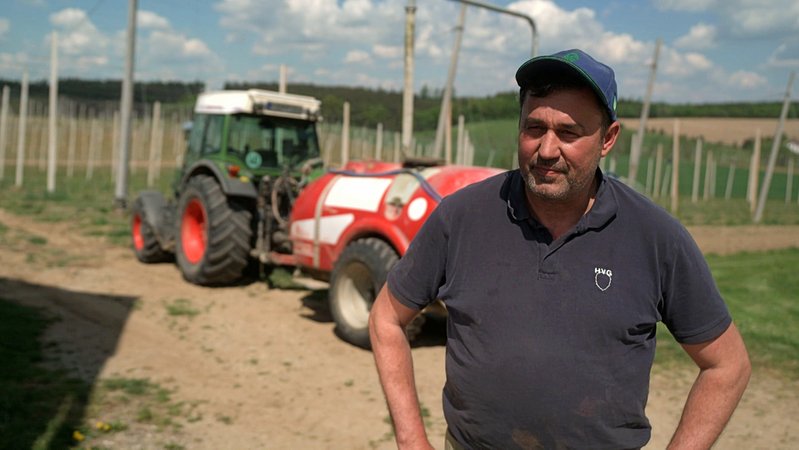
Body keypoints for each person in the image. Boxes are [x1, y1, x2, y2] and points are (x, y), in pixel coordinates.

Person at [368, 49, 751, 450]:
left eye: (568, 133)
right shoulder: (462, 217)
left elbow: (727, 365)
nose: (546, 150)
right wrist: (412, 441)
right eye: (534, 128)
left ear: (608, 138)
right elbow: (386, 318)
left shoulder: (656, 238)